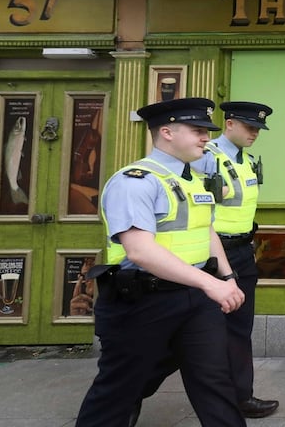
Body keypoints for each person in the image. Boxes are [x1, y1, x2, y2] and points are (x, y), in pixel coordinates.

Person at [75, 97, 247, 427]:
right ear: (166, 132)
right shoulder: (135, 181)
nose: (206, 138)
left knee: (215, 382)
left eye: (206, 131)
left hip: (195, 299)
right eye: (197, 130)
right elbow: (140, 251)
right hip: (141, 302)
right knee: (118, 391)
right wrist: (211, 283)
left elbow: (205, 231)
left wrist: (226, 275)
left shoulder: (193, 179)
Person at [135, 101, 278, 421]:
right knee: (185, 336)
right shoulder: (204, 157)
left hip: (241, 251)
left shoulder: (247, 161)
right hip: (209, 254)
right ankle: (132, 389)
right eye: (249, 127)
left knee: (239, 328)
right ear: (229, 124)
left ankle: (241, 396)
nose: (255, 133)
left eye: (258, 129)